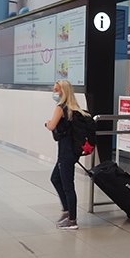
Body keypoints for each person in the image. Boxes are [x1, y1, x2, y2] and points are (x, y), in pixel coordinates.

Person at [45, 80, 88, 230]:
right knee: (55, 178)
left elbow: (51, 126)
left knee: (67, 185)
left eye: (56, 90)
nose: (54, 92)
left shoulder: (60, 108)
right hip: (72, 152)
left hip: (65, 153)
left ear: (63, 92)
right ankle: (67, 210)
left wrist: (47, 123)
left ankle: (72, 220)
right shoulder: (74, 108)